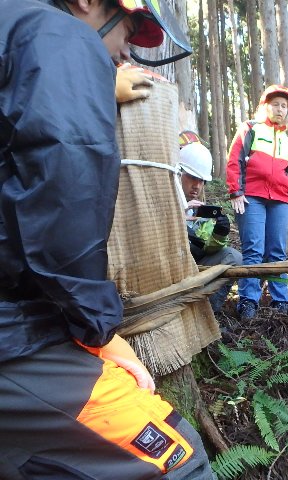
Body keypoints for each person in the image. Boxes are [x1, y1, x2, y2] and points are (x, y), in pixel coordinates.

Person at [0, 1, 215, 478]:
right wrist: (99, 331)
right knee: (178, 461)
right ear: (88, 3)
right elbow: (63, 198)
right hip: (13, 333)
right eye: (130, 31)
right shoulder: (53, 34)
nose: (125, 54)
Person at [226, 85, 288, 320]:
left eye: (284, 106)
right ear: (265, 106)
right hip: (252, 197)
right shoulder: (250, 129)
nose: (280, 109)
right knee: (253, 250)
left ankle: (280, 301)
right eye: (275, 104)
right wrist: (236, 191)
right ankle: (249, 301)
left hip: (280, 200)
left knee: (278, 252)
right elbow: (234, 160)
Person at [178, 131, 242, 314]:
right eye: (192, 177)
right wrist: (176, 219)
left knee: (234, 257)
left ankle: (207, 314)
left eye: (202, 181)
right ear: (180, 172)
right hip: (170, 264)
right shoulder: (165, 197)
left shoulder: (201, 208)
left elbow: (208, 248)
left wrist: (219, 234)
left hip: (195, 263)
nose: (197, 186)